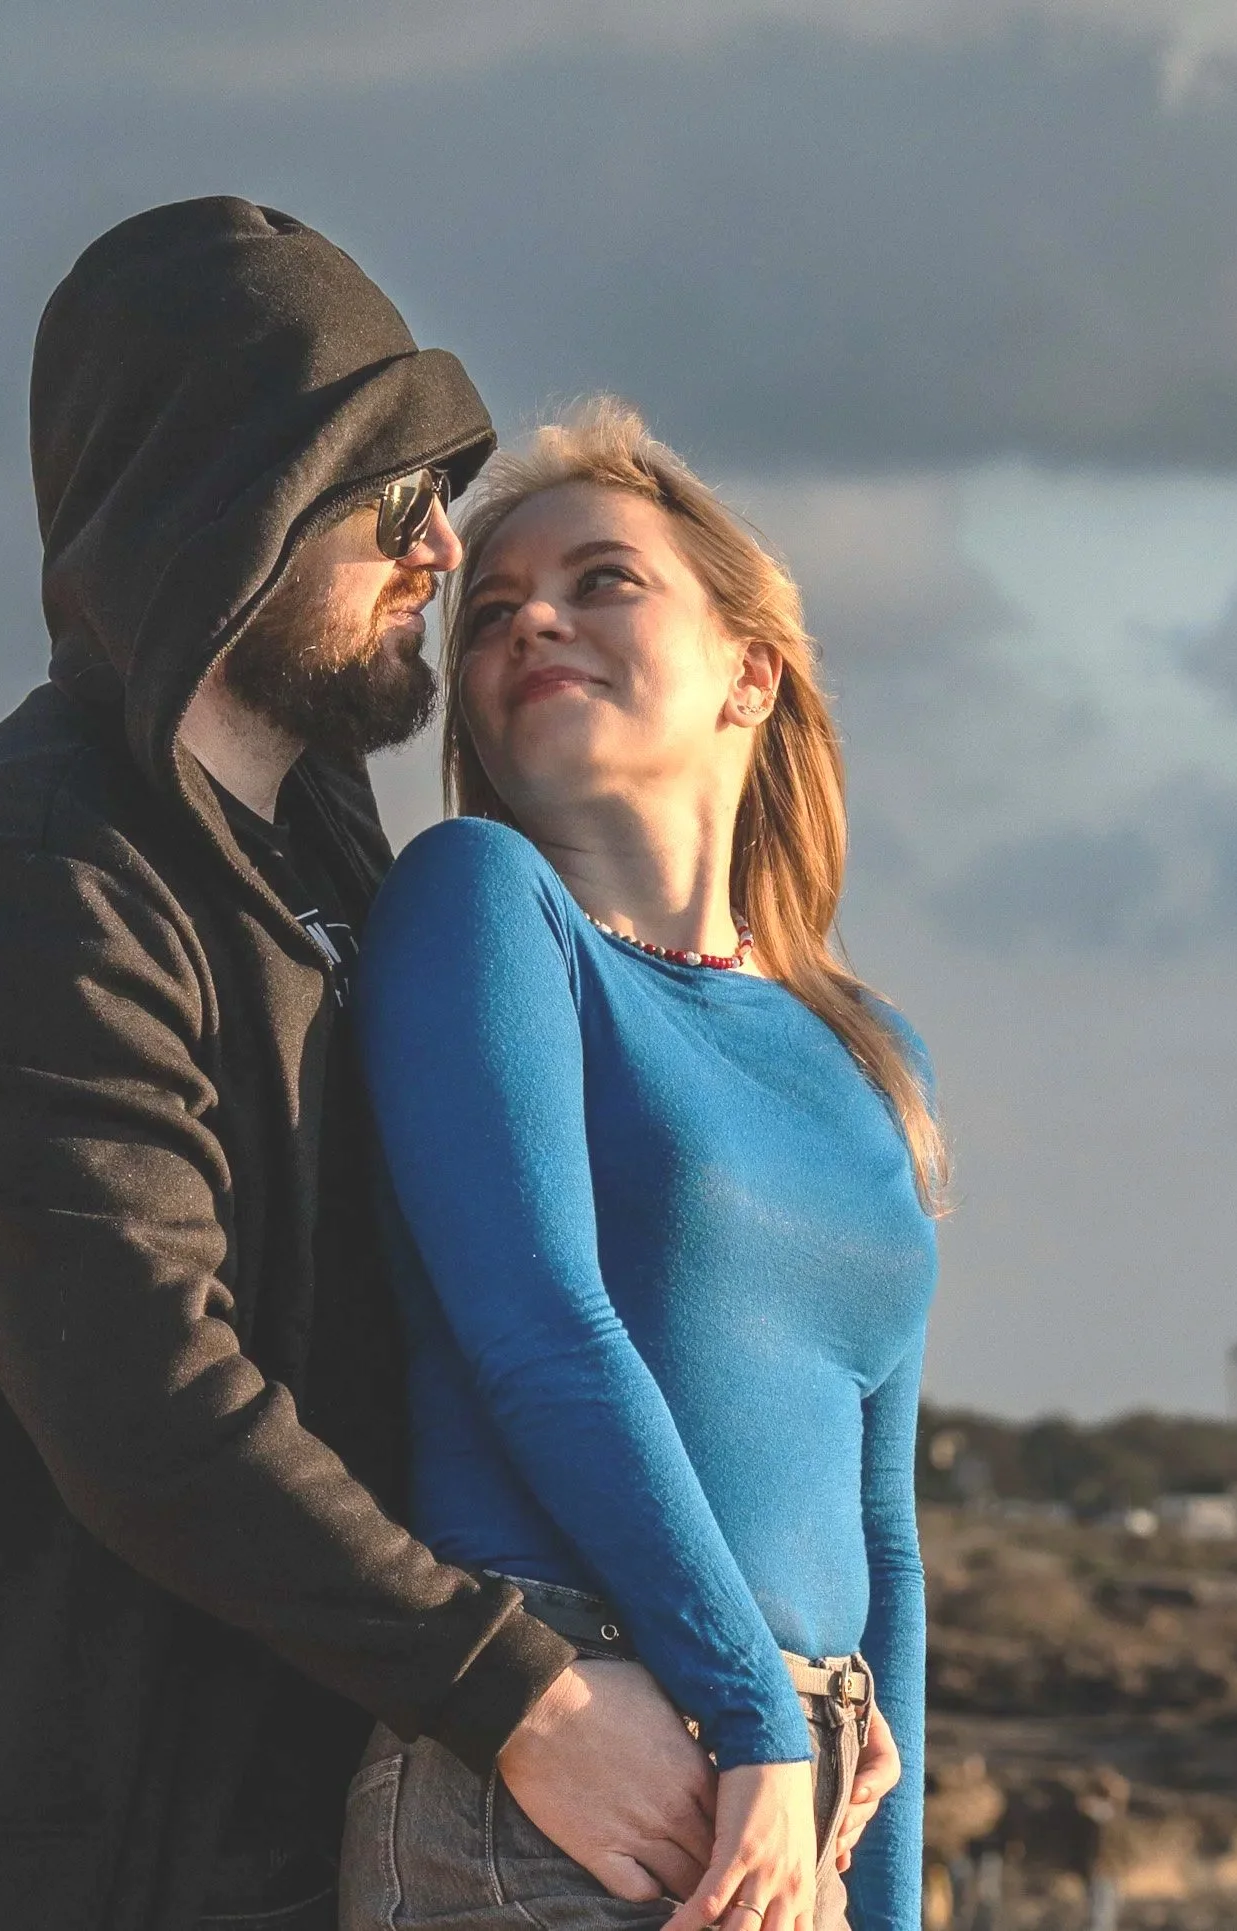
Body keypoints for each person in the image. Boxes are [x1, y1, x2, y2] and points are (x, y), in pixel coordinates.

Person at [0, 202, 718, 1931]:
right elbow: (155, 1399)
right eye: (390, 500)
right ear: (221, 513)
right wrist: (526, 1698)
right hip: (38, 1852)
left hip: (270, 1824)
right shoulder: (33, 882)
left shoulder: (324, 860)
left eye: (439, 499)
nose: (438, 554)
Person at [343, 402, 944, 1931]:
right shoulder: (479, 904)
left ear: (752, 667)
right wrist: (748, 1718)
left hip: (797, 1778)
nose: (532, 613)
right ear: (469, 717)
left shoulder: (868, 1052)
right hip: (565, 1762)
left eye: (602, 578)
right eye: (488, 612)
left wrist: (875, 1896)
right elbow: (538, 1331)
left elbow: (881, 1526)